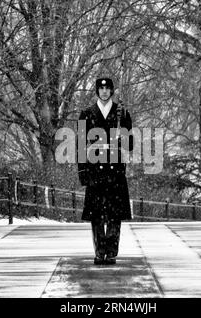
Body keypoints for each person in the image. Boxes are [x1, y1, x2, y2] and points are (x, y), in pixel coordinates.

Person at [77, 77, 134, 265]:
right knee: (97, 215)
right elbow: (80, 145)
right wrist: (83, 171)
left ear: (111, 91)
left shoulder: (122, 113)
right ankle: (99, 251)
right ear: (97, 91)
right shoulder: (87, 114)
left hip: (115, 171)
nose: (104, 91)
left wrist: (121, 137)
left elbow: (130, 144)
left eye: (107, 88)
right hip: (95, 171)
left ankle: (111, 251)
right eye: (101, 88)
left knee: (114, 215)